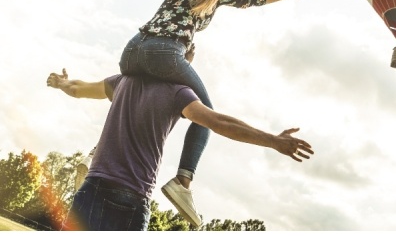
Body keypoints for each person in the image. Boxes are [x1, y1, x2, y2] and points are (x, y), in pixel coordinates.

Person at [103, 0, 319, 225]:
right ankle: (183, 182)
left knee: (131, 93)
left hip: (131, 52)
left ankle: (97, 153)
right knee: (205, 111)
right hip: (165, 53)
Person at [46, 67, 313, 231]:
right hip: (133, 197)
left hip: (94, 188)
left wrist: (60, 83)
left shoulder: (122, 82)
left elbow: (77, 88)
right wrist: (273, 140)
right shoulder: (178, 92)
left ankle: (91, 155)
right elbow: (218, 122)